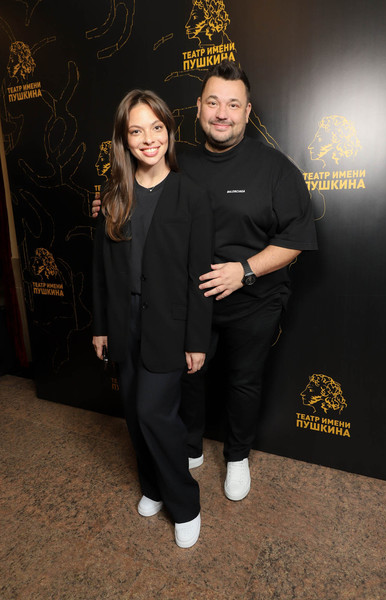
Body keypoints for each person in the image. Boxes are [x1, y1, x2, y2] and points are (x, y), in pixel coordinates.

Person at [92, 61, 318, 504]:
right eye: (213, 102)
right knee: (188, 377)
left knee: (243, 381)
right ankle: (190, 446)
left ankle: (237, 456)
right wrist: (109, 206)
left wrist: (244, 270)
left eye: (233, 104)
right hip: (187, 299)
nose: (222, 113)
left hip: (252, 299)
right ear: (198, 108)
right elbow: (142, 194)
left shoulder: (275, 168)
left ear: (247, 112)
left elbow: (296, 239)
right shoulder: (179, 163)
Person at [92, 89, 213, 548]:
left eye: (156, 128)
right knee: (133, 413)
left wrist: (196, 340)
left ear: (169, 130)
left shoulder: (192, 195)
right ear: (124, 139)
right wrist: (101, 327)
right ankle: (153, 487)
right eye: (136, 131)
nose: (148, 139)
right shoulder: (113, 195)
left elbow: (201, 276)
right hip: (124, 323)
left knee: (153, 413)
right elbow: (101, 269)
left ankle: (185, 503)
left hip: (170, 326)